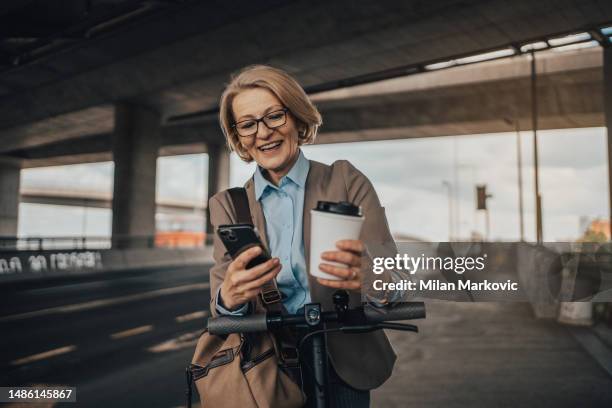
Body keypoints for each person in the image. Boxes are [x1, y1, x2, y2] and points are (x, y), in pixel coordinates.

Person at [208, 65, 399, 407]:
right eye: (248, 124)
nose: (263, 133)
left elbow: (391, 277)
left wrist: (370, 278)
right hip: (266, 364)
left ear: (296, 118)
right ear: (239, 137)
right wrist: (230, 297)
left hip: (344, 359)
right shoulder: (228, 205)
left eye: (274, 116)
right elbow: (222, 309)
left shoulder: (345, 180)